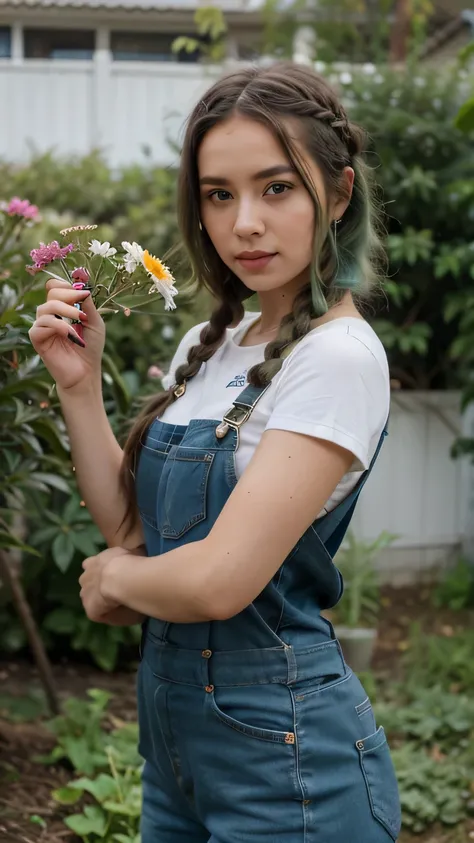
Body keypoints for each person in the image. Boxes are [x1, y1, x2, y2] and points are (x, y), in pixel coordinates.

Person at [29, 61, 401, 843]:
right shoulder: (212, 342)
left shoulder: (336, 357)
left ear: (336, 194)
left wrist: (116, 579)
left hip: (287, 763)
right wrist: (78, 385)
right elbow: (138, 529)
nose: (244, 224)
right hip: (175, 748)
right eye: (218, 194)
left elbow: (218, 580)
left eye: (276, 188)